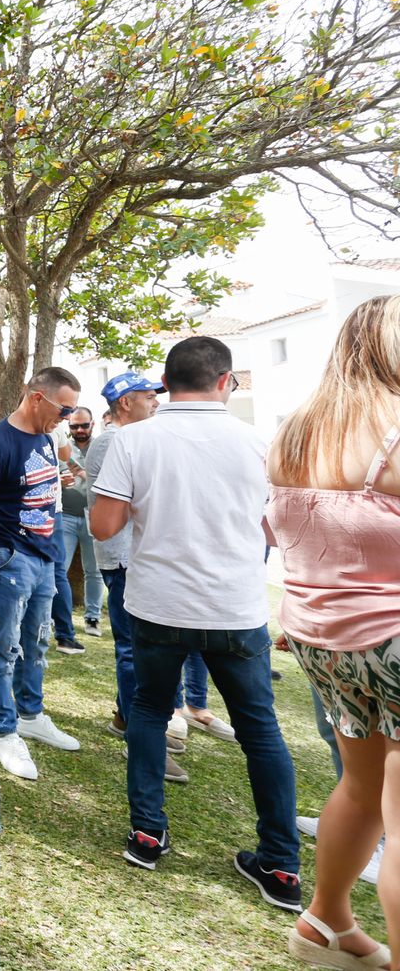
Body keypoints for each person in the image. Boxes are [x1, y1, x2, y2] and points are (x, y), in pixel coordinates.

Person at [90, 336, 301, 910]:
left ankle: (146, 832)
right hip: (234, 608)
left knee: (150, 713)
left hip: (158, 604)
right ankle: (281, 865)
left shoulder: (134, 440)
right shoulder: (260, 441)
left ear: (165, 383)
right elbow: (277, 531)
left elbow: (104, 527)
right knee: (261, 733)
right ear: (225, 381)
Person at [267, 296, 400, 969]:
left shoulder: (297, 433)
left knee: (362, 787)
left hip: (324, 639)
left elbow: (288, 535)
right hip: (393, 635)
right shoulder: (393, 430)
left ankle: (326, 922)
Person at [0, 367, 83, 780]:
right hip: (6, 558)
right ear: (36, 397)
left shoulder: (46, 438)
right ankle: (4, 732)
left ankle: (31, 714)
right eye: (64, 409)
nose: (67, 417)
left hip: (44, 557)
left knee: (37, 642)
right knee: (2, 649)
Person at [83, 372, 189, 785]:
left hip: (130, 555)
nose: (156, 403)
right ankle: (143, 739)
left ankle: (128, 718)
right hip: (124, 556)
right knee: (134, 649)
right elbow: (117, 508)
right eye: (148, 397)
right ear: (124, 403)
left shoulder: (124, 439)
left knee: (135, 646)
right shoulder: (114, 441)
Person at [54, 407, 104, 637]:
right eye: (74, 426)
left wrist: (85, 475)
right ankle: (58, 617)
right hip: (66, 515)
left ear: (92, 424)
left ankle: (92, 617)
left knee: (93, 570)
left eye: (84, 425)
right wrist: (61, 480)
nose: (80, 430)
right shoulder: (62, 448)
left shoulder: (102, 446)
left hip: (93, 514)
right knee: (59, 569)